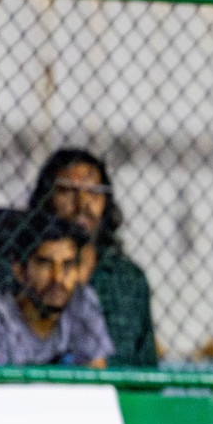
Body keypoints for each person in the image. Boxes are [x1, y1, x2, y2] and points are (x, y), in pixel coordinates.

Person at [27, 149, 157, 367]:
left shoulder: (128, 280)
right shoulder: (23, 272)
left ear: (105, 202)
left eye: (93, 192)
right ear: (47, 198)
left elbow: (147, 371)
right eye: (68, 191)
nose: (82, 204)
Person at [0, 213, 112, 367]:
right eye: (44, 264)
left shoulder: (82, 300)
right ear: (19, 270)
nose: (57, 277)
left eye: (67, 265)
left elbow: (97, 375)